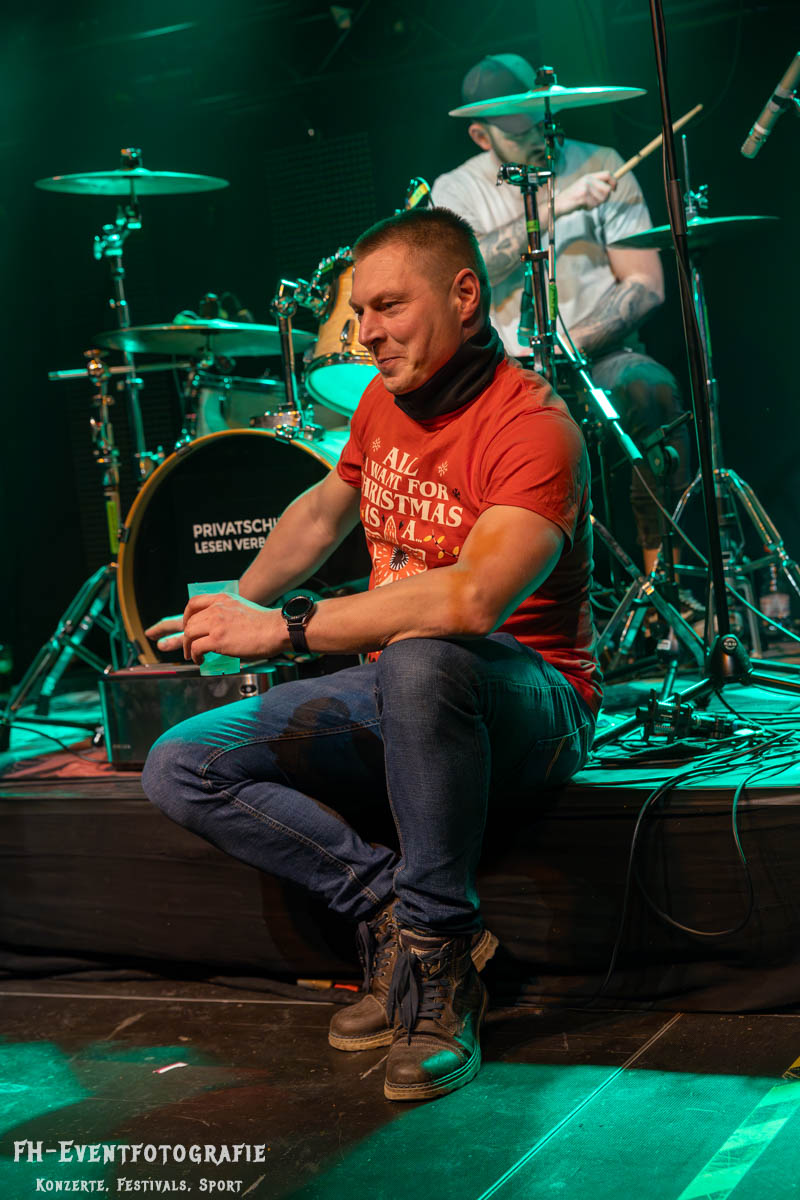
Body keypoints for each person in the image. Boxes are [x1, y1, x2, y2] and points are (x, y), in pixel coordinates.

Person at [142, 206, 600, 1102]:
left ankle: (439, 960)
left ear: (464, 296)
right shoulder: (384, 405)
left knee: (425, 655)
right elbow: (323, 512)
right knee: (181, 764)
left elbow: (472, 601)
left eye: (389, 306)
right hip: (406, 686)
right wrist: (238, 605)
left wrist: (284, 628)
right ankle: (393, 913)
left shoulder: (532, 425)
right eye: (359, 312)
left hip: (533, 705)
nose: (366, 333)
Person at [432, 53, 691, 576]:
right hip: (504, 367)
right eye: (517, 127)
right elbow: (465, 273)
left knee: (652, 388)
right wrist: (559, 205)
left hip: (598, 351)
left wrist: (567, 348)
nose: (536, 132)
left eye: (539, 117)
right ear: (482, 137)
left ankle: (663, 582)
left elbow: (645, 285)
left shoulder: (602, 163)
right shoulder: (455, 189)